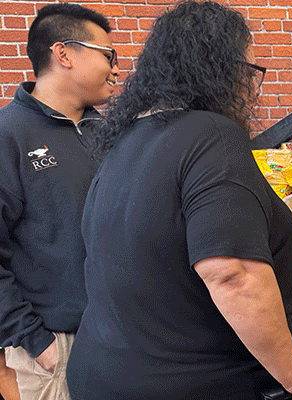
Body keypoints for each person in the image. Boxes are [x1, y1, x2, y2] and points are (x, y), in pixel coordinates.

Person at [65, 2, 292, 399]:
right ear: (221, 70)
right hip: (194, 384)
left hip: (106, 373)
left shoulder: (127, 139)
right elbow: (232, 272)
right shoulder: (212, 135)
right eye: (251, 72)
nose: (252, 88)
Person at [0, 3, 119, 399]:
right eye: (108, 56)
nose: (116, 69)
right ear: (63, 53)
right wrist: (35, 340)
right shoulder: (9, 136)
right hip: (54, 345)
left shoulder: (108, 133)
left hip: (121, 335)